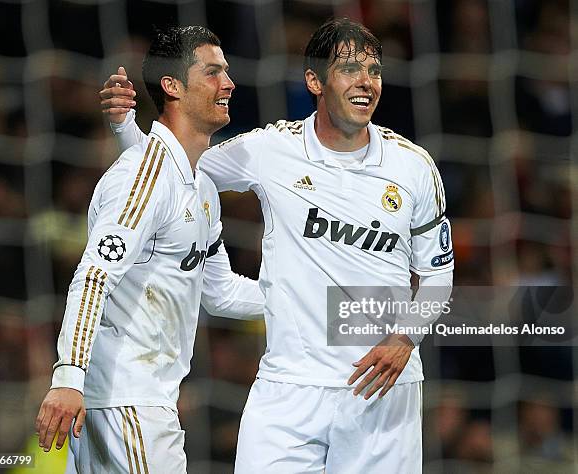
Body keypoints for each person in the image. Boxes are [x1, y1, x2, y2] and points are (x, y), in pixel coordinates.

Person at [103, 18, 454, 473]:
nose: (366, 82)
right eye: (349, 69)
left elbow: (437, 275)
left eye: (375, 70)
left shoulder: (414, 167)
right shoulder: (271, 150)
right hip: (289, 387)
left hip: (383, 386)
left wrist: (405, 339)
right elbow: (173, 169)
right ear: (314, 80)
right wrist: (125, 127)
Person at [36, 25, 264, 474]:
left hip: (147, 402)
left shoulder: (201, 188)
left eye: (228, 72)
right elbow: (93, 276)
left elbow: (220, 293)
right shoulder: (143, 176)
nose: (229, 83)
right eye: (213, 72)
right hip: (125, 403)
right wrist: (67, 378)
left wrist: (308, 292)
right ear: (172, 86)